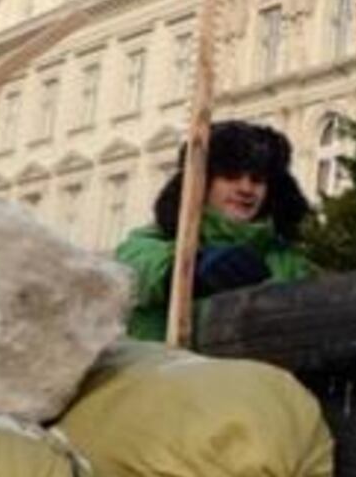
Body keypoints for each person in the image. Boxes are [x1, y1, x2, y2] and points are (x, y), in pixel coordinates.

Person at [116, 121, 315, 341]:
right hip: (165, 372)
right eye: (231, 176)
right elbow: (132, 271)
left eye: (257, 179)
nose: (246, 188)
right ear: (203, 181)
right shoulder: (157, 239)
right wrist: (186, 268)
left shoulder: (289, 259)